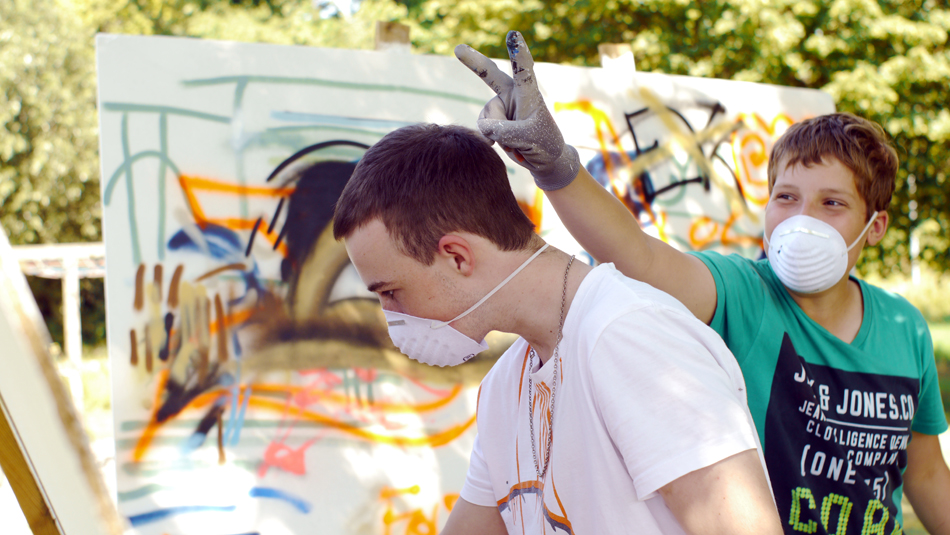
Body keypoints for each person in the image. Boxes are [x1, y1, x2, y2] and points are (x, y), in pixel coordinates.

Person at [454, 31, 950, 535]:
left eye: (832, 203)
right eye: (785, 197)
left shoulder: (904, 327)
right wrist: (554, 164)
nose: (802, 219)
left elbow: (927, 471)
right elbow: (638, 255)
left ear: (876, 227)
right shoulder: (742, 293)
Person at [331, 123, 782, 534]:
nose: (390, 314)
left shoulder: (629, 336)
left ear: (457, 256)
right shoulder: (505, 386)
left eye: (390, 291)